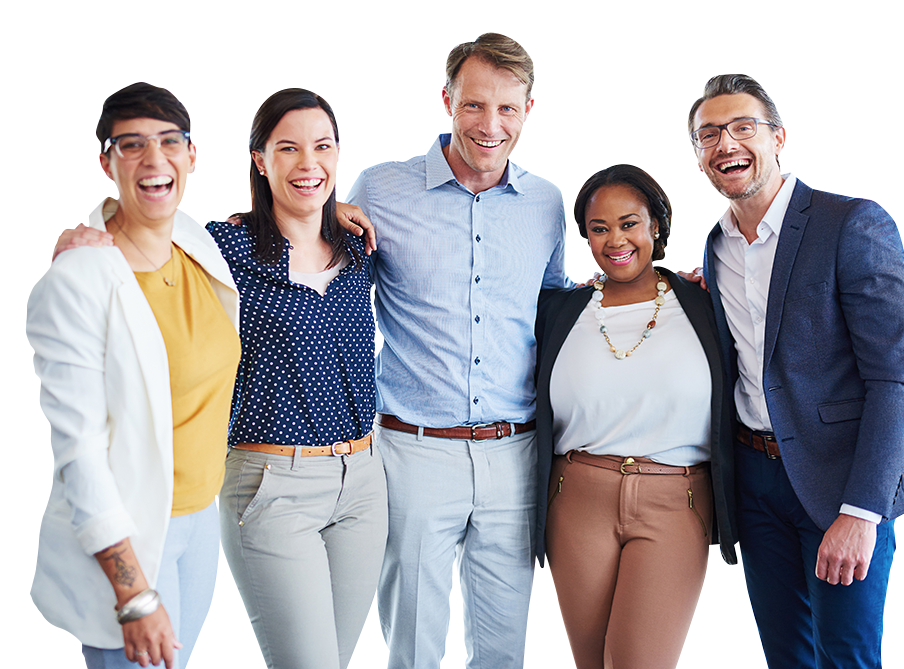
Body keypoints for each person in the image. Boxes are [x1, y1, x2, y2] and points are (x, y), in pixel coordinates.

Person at [344, 32, 570, 669]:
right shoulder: (379, 189)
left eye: (507, 108)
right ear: (446, 101)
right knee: (413, 648)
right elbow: (312, 257)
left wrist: (660, 289)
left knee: (504, 653)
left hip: (515, 455)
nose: (490, 125)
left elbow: (555, 308)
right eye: (474, 105)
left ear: (529, 110)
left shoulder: (546, 203)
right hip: (414, 452)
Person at [688, 71, 904, 668]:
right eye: (708, 134)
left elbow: (895, 380)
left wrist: (861, 512)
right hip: (754, 485)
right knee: (787, 659)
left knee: (846, 658)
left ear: (779, 137)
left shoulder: (852, 223)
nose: (726, 145)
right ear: (698, 157)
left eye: (743, 127)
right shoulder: (714, 248)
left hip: (840, 485)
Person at [26, 82, 241, 669]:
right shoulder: (76, 281)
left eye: (171, 141)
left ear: (192, 156)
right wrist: (133, 592)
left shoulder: (196, 241)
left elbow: (287, 206)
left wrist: (344, 205)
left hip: (200, 523)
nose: (155, 159)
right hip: (132, 538)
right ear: (105, 161)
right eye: (132, 145)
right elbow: (80, 457)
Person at [207, 87, 388, 669]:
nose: (308, 163)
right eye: (288, 148)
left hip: (362, 483)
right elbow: (141, 241)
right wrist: (86, 236)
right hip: (272, 485)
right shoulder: (223, 247)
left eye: (322, 146)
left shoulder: (358, 250)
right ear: (260, 159)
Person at [534, 164, 735, 669]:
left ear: (656, 227)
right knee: (591, 663)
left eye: (629, 223)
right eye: (599, 229)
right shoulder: (559, 310)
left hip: (676, 501)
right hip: (576, 498)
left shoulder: (706, 302)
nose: (615, 240)